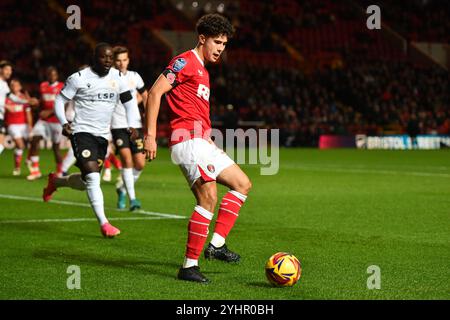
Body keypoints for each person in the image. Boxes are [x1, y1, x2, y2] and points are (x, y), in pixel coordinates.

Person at [144, 14, 252, 283]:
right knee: (208, 199)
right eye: (217, 42)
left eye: (224, 44)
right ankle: (189, 266)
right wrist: (150, 135)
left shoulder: (203, 69)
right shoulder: (184, 61)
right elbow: (155, 92)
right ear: (202, 39)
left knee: (242, 184)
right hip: (187, 141)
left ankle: (216, 245)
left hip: (202, 141)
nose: (220, 48)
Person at [42, 43, 139, 238]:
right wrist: (64, 123)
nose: (108, 61)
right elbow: (60, 100)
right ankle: (104, 224)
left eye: (110, 58)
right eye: (104, 57)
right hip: (81, 133)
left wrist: (133, 124)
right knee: (94, 178)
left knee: (87, 181)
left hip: (103, 136)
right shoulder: (79, 78)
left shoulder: (117, 77)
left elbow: (129, 101)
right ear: (94, 58)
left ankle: (56, 182)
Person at [110, 46, 148, 210]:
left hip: (135, 125)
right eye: (118, 60)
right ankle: (132, 199)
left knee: (139, 164)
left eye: (124, 59)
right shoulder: (109, 78)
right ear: (113, 61)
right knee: (126, 160)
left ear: (128, 60)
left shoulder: (135, 77)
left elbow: (145, 93)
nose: (121, 63)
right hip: (117, 125)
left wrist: (147, 111)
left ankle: (122, 188)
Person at [27, 66, 65, 180]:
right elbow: (42, 101)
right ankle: (35, 170)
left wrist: (50, 112)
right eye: (50, 74)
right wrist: (35, 102)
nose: (52, 76)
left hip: (57, 121)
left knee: (55, 148)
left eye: (54, 74)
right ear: (47, 75)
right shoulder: (43, 86)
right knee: (34, 140)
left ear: (57, 75)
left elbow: (65, 104)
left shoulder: (62, 86)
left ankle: (59, 171)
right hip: (43, 121)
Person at [4, 79, 36, 175]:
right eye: (12, 85)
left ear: (20, 87)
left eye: (16, 85)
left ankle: (28, 160)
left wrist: (30, 126)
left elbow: (28, 114)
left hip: (24, 125)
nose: (14, 87)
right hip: (12, 125)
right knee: (20, 145)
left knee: (34, 141)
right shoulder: (7, 98)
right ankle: (17, 167)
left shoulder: (24, 98)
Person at [0, 60, 13, 156]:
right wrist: (4, 105)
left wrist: (26, 102)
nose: (9, 72)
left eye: (10, 70)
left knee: (1, 144)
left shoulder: (4, 84)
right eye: (7, 69)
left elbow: (12, 97)